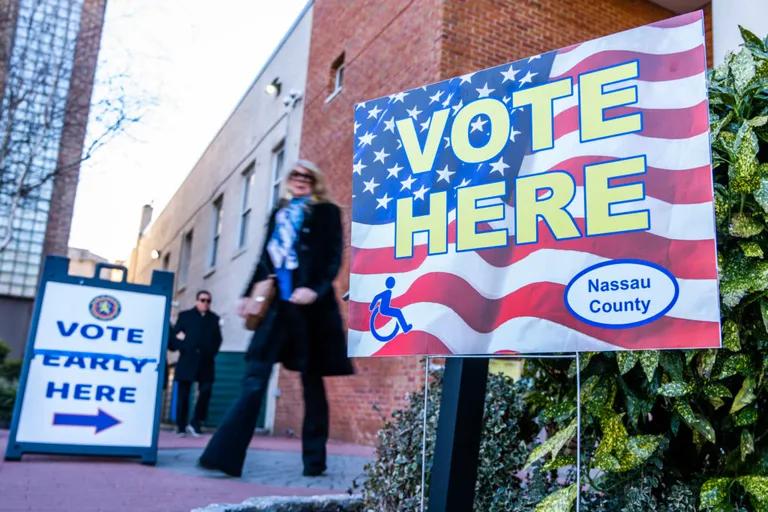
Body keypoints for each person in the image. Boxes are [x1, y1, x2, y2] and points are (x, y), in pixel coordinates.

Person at [198, 159, 354, 477]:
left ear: (315, 181)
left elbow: (333, 257)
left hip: (309, 311)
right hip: (276, 310)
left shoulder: (326, 212)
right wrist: (245, 294)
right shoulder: (279, 213)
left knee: (311, 382)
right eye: (294, 175)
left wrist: (315, 289)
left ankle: (314, 462)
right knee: (254, 377)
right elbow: (264, 260)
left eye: (306, 176)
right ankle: (223, 456)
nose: (299, 180)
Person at [170, 290, 223, 436]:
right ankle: (181, 426)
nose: (205, 303)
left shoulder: (214, 319)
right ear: (196, 301)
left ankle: (196, 422)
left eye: (208, 301)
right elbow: (174, 337)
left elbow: (218, 340)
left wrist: (211, 352)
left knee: (206, 391)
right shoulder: (185, 316)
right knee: (184, 394)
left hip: (206, 362)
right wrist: (184, 348)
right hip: (187, 360)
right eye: (202, 300)